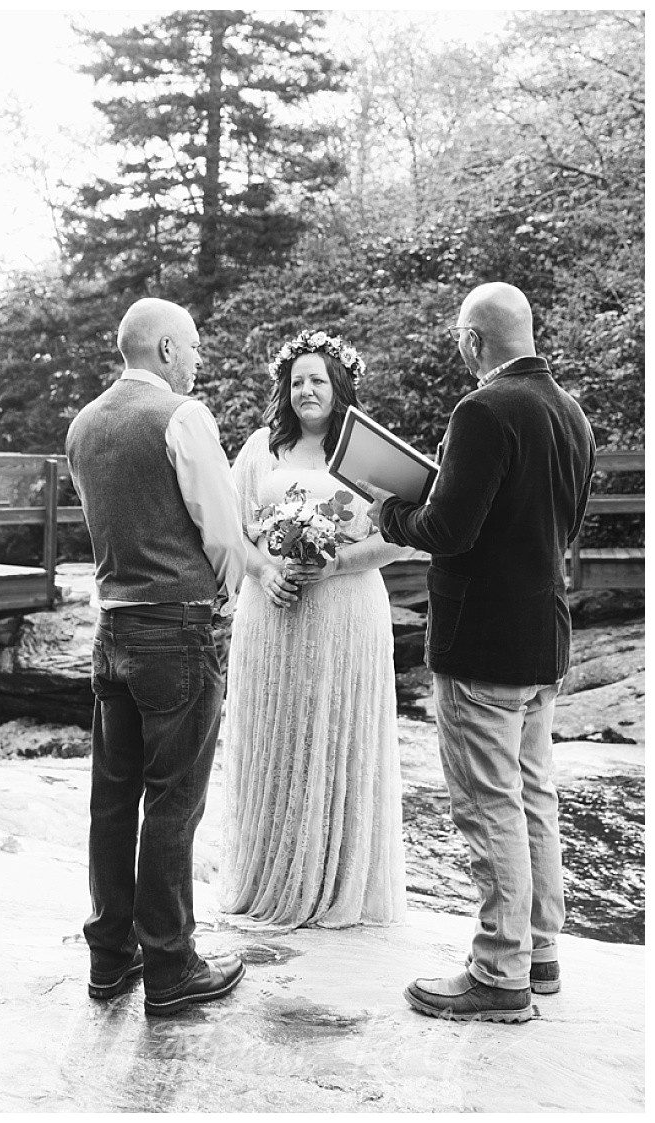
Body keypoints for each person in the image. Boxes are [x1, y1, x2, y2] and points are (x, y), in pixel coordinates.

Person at [364, 282, 594, 1024]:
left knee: (489, 803)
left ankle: (499, 972)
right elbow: (553, 525)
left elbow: (451, 529)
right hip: (542, 635)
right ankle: (540, 949)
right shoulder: (572, 413)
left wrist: (390, 509)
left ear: (473, 342)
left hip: (481, 641)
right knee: (533, 795)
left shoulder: (484, 409)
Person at [64, 297, 249, 1016]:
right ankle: (172, 966)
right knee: (174, 801)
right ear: (167, 349)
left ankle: (111, 958)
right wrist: (225, 604)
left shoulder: (83, 425)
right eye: (195, 345)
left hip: (111, 630)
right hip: (177, 627)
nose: (199, 359)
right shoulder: (182, 416)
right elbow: (225, 533)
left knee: (113, 799)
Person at [220, 331, 411, 930]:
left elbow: (402, 534)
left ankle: (335, 881)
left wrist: (336, 564)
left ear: (339, 387)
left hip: (347, 615)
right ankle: (268, 877)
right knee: (277, 733)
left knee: (337, 730)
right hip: (272, 614)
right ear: (285, 387)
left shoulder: (368, 454)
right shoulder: (260, 450)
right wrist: (265, 570)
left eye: (318, 380)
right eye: (297, 380)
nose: (306, 390)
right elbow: (231, 529)